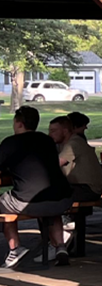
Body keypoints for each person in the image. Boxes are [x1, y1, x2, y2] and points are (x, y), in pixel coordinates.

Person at [1, 107, 72, 269]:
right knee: (50, 207)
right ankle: (60, 247)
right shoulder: (46, 140)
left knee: (4, 204)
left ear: (19, 124)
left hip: (28, 200)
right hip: (62, 197)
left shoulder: (10, 143)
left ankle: (15, 249)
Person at [48, 115, 102, 264]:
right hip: (78, 186)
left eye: (54, 131)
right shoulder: (63, 144)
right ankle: (59, 240)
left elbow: (54, 165)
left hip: (88, 188)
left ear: (65, 131)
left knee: (46, 200)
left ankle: (57, 242)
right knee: (48, 197)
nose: (50, 134)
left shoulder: (74, 144)